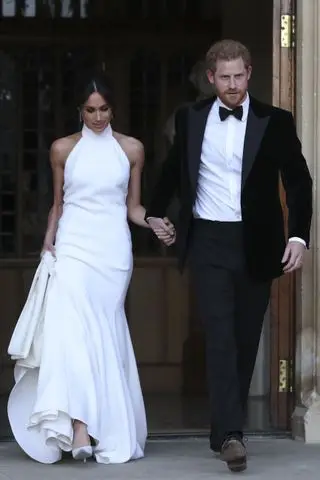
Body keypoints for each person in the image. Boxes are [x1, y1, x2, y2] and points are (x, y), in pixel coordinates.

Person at [145, 39, 313, 473]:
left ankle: (224, 429)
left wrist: (298, 238)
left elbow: (299, 181)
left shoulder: (274, 121)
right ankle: (234, 436)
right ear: (211, 78)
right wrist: (154, 213)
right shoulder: (190, 118)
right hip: (209, 243)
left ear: (250, 73)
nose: (233, 84)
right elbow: (172, 172)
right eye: (225, 77)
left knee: (243, 340)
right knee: (219, 338)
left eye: (240, 76)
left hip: (257, 244)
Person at [7, 72, 149, 464]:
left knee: (102, 335)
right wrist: (48, 240)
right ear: (79, 110)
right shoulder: (62, 150)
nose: (98, 117)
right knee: (71, 331)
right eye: (90, 110)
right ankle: (81, 426)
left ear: (113, 109)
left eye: (104, 109)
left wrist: (152, 220)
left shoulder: (132, 149)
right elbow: (59, 202)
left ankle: (102, 426)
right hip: (72, 247)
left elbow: (132, 207)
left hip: (112, 252)